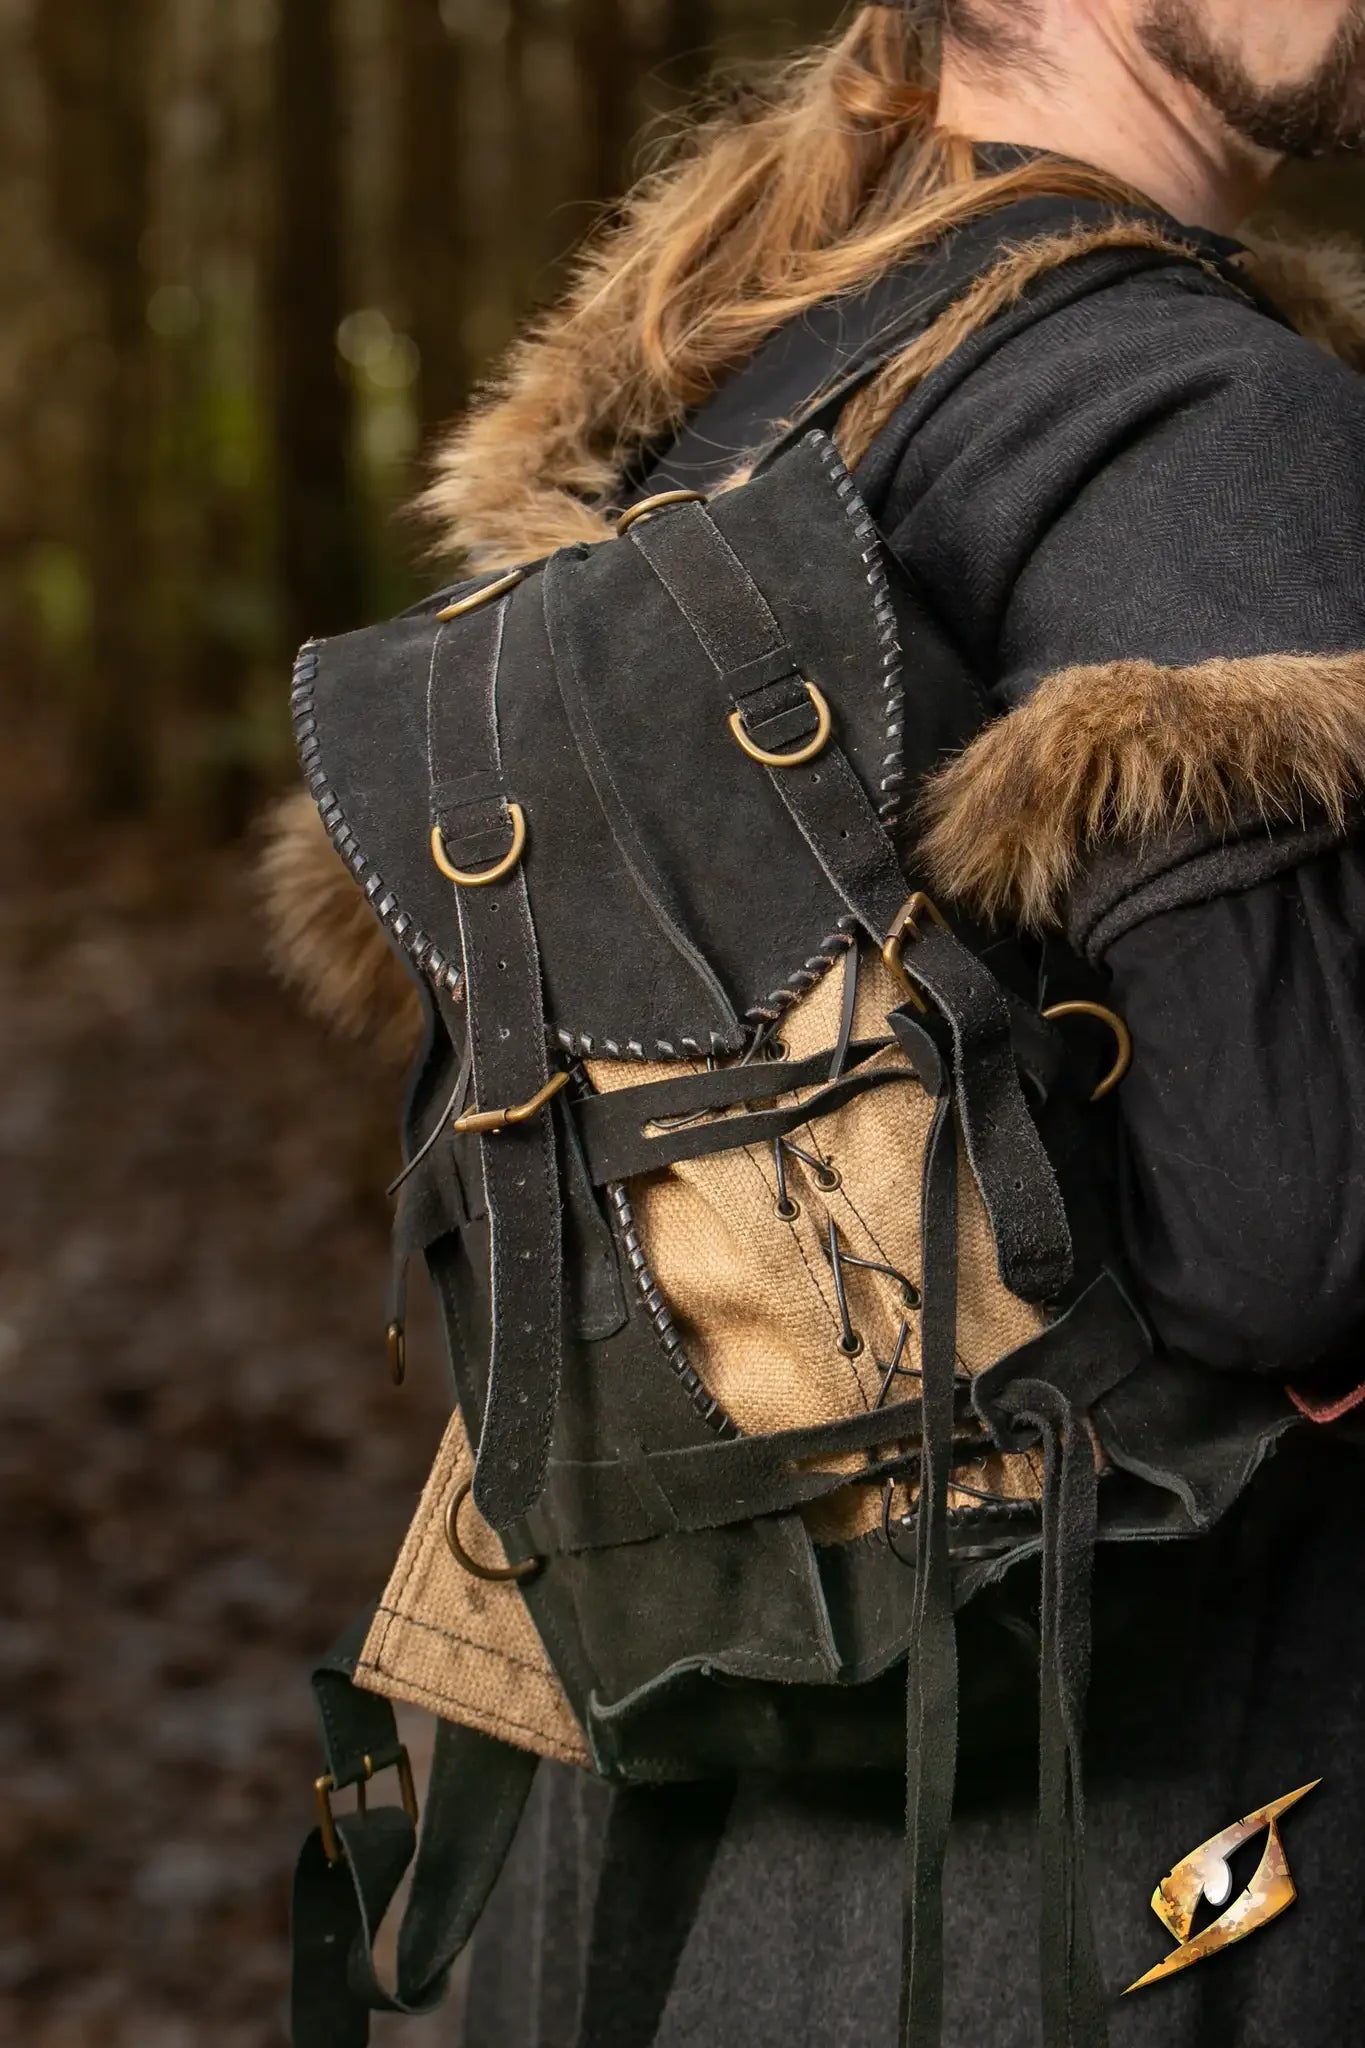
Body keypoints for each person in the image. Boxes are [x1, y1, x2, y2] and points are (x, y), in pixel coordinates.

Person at [268, 4, 1365, 2044]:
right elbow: (1291, 1228)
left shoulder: (781, 390)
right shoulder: (1209, 418)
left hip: (720, 1833)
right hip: (1166, 1859)